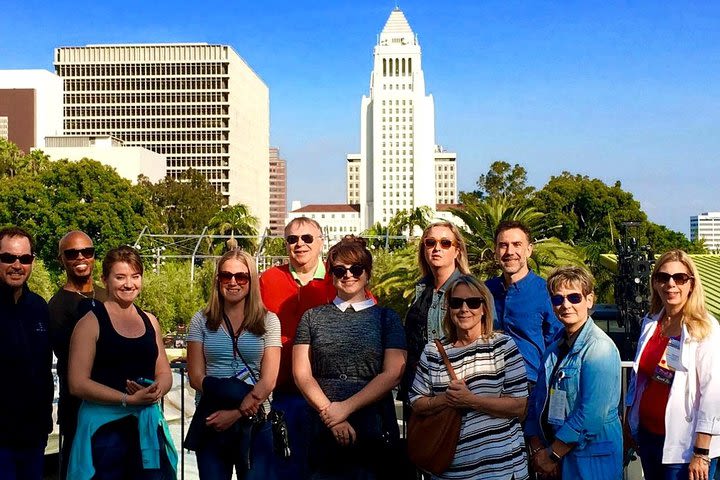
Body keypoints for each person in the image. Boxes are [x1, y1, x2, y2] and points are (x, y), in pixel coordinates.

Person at [293, 235, 406, 479]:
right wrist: (331, 415)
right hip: (322, 424)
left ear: (367, 273)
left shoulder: (387, 318)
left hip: (373, 423)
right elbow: (301, 373)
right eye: (340, 270)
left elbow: (394, 372)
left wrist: (344, 409)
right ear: (332, 275)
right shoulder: (312, 318)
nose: (348, 275)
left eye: (356, 269)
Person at [67, 246, 177, 479]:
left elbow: (164, 372)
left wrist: (156, 390)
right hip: (104, 434)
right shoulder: (90, 323)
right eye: (120, 277)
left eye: (135, 277)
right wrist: (127, 399)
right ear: (105, 280)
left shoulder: (150, 321)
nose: (129, 284)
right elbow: (77, 383)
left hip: (145, 428)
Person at [409, 274, 528, 480]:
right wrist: (446, 399)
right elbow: (417, 402)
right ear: (449, 308)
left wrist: (471, 401)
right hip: (448, 469)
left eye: (473, 302)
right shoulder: (433, 352)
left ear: (484, 308)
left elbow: (519, 406)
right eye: (457, 303)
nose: (464, 309)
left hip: (501, 469)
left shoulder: (502, 346)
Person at [186, 249, 281, 479]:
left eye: (241, 277)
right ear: (217, 280)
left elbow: (269, 379)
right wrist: (229, 391)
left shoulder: (269, 320)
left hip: (255, 419)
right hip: (213, 417)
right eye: (226, 276)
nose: (233, 282)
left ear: (251, 281)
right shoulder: (201, 320)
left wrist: (238, 411)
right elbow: (196, 377)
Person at [625, 250, 720, 479]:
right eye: (663, 277)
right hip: (649, 438)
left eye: (679, 278)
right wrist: (630, 424)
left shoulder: (705, 329)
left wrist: (701, 452)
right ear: (655, 283)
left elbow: (712, 393)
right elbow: (639, 379)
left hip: (685, 448)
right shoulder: (652, 323)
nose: (671, 284)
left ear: (691, 284)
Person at [526, 266, 622, 479]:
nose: (566, 305)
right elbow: (537, 401)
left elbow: (590, 415)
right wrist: (538, 449)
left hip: (589, 460)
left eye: (574, 297)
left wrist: (552, 456)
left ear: (589, 300)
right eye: (558, 299)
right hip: (556, 456)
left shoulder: (599, 348)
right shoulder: (554, 347)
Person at [259, 217, 337, 478]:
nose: (299, 244)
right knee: (286, 468)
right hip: (284, 393)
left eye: (307, 238)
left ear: (321, 242)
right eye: (292, 239)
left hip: (330, 396)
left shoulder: (340, 278)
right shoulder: (269, 280)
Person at [48, 230, 108, 478]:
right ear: (61, 259)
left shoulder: (110, 297)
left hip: (114, 405)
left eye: (87, 251)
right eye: (72, 253)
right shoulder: (56, 306)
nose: (81, 257)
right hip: (77, 409)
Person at [0, 227, 53, 480]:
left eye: (24, 258)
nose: (17, 265)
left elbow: (42, 371)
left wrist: (44, 425)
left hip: (33, 437)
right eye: (8, 258)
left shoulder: (40, 307)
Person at [485, 220, 561, 391]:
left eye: (516, 244)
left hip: (531, 387)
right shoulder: (484, 292)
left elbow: (557, 343)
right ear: (496, 251)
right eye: (503, 245)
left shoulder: (547, 293)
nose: (510, 251)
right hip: (489, 385)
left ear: (529, 250)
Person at [401, 221, 471, 404]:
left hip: (452, 390)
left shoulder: (469, 289)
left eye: (445, 243)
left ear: (457, 251)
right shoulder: (421, 290)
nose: (436, 248)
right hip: (419, 388)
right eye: (430, 243)